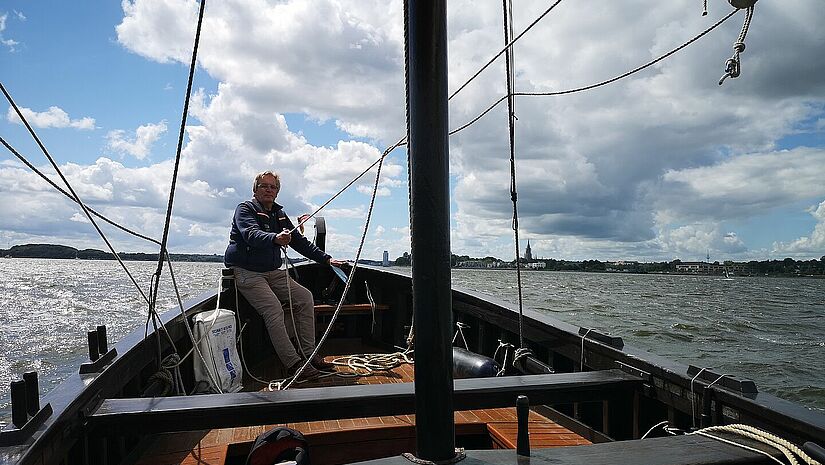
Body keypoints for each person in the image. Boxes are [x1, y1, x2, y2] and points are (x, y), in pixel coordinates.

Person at [225, 170, 344, 378]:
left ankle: (310, 355)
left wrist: (327, 259)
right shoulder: (244, 209)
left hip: (272, 271)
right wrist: (275, 238)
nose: (269, 190)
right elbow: (251, 234)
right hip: (247, 273)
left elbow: (299, 242)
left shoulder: (279, 214)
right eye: (264, 186)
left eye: (273, 187)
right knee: (273, 310)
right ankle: (294, 365)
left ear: (277, 192)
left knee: (305, 298)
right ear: (255, 189)